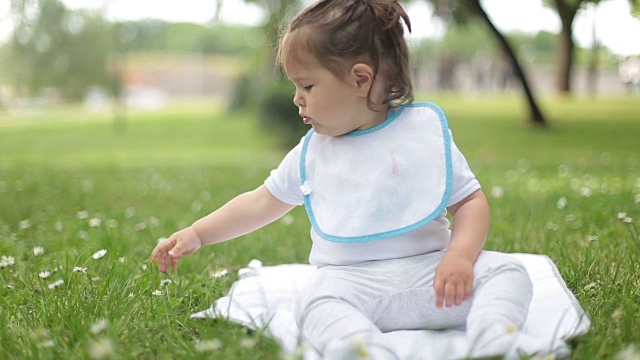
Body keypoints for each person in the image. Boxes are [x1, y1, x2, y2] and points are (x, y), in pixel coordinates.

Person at [152, 0, 549, 358]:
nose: (297, 98)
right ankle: (363, 349)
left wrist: (460, 257)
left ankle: (492, 337)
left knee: (507, 271)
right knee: (315, 300)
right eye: (295, 86)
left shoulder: (420, 134)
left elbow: (469, 201)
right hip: (351, 286)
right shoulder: (313, 152)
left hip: (435, 277)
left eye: (307, 85)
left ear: (361, 80)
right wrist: (198, 233)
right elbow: (260, 202)